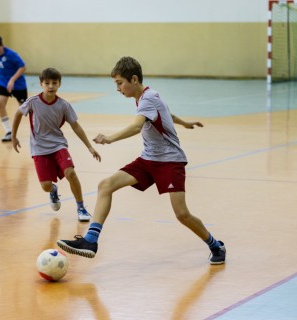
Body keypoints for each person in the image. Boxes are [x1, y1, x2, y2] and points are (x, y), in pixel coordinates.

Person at [57, 57, 226, 265]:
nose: (118, 88)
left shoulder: (148, 98)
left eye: (120, 83)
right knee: (106, 186)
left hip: (170, 161)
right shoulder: (146, 98)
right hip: (148, 159)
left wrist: (109, 138)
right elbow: (165, 112)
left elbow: (137, 126)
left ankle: (215, 245)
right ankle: (90, 240)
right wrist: (183, 123)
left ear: (134, 79)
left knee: (182, 215)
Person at [12, 68, 101, 222]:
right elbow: (19, 113)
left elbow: (76, 126)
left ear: (59, 84)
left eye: (54, 83)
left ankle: (81, 208)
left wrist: (89, 146)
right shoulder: (33, 102)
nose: (51, 86)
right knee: (46, 185)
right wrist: (13, 136)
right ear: (41, 84)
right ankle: (53, 190)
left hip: (58, 145)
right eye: (47, 83)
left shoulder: (63, 105)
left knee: (70, 173)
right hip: (39, 148)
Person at [0, 34, 28, 142]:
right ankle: (9, 132)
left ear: (2, 46)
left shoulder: (12, 54)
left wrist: (12, 79)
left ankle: (39, 131)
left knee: (25, 110)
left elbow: (23, 67)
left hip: (18, 84)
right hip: (3, 83)